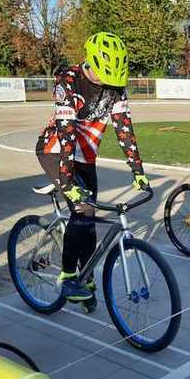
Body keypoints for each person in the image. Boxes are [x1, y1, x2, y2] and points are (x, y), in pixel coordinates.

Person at [36, 32, 149, 305]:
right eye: (101, 77)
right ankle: (66, 278)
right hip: (55, 150)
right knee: (82, 209)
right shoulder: (68, 80)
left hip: (86, 156)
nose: (105, 84)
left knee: (88, 224)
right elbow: (66, 133)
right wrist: (68, 182)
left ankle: (85, 277)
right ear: (90, 62)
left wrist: (138, 170)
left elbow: (124, 129)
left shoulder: (115, 87)